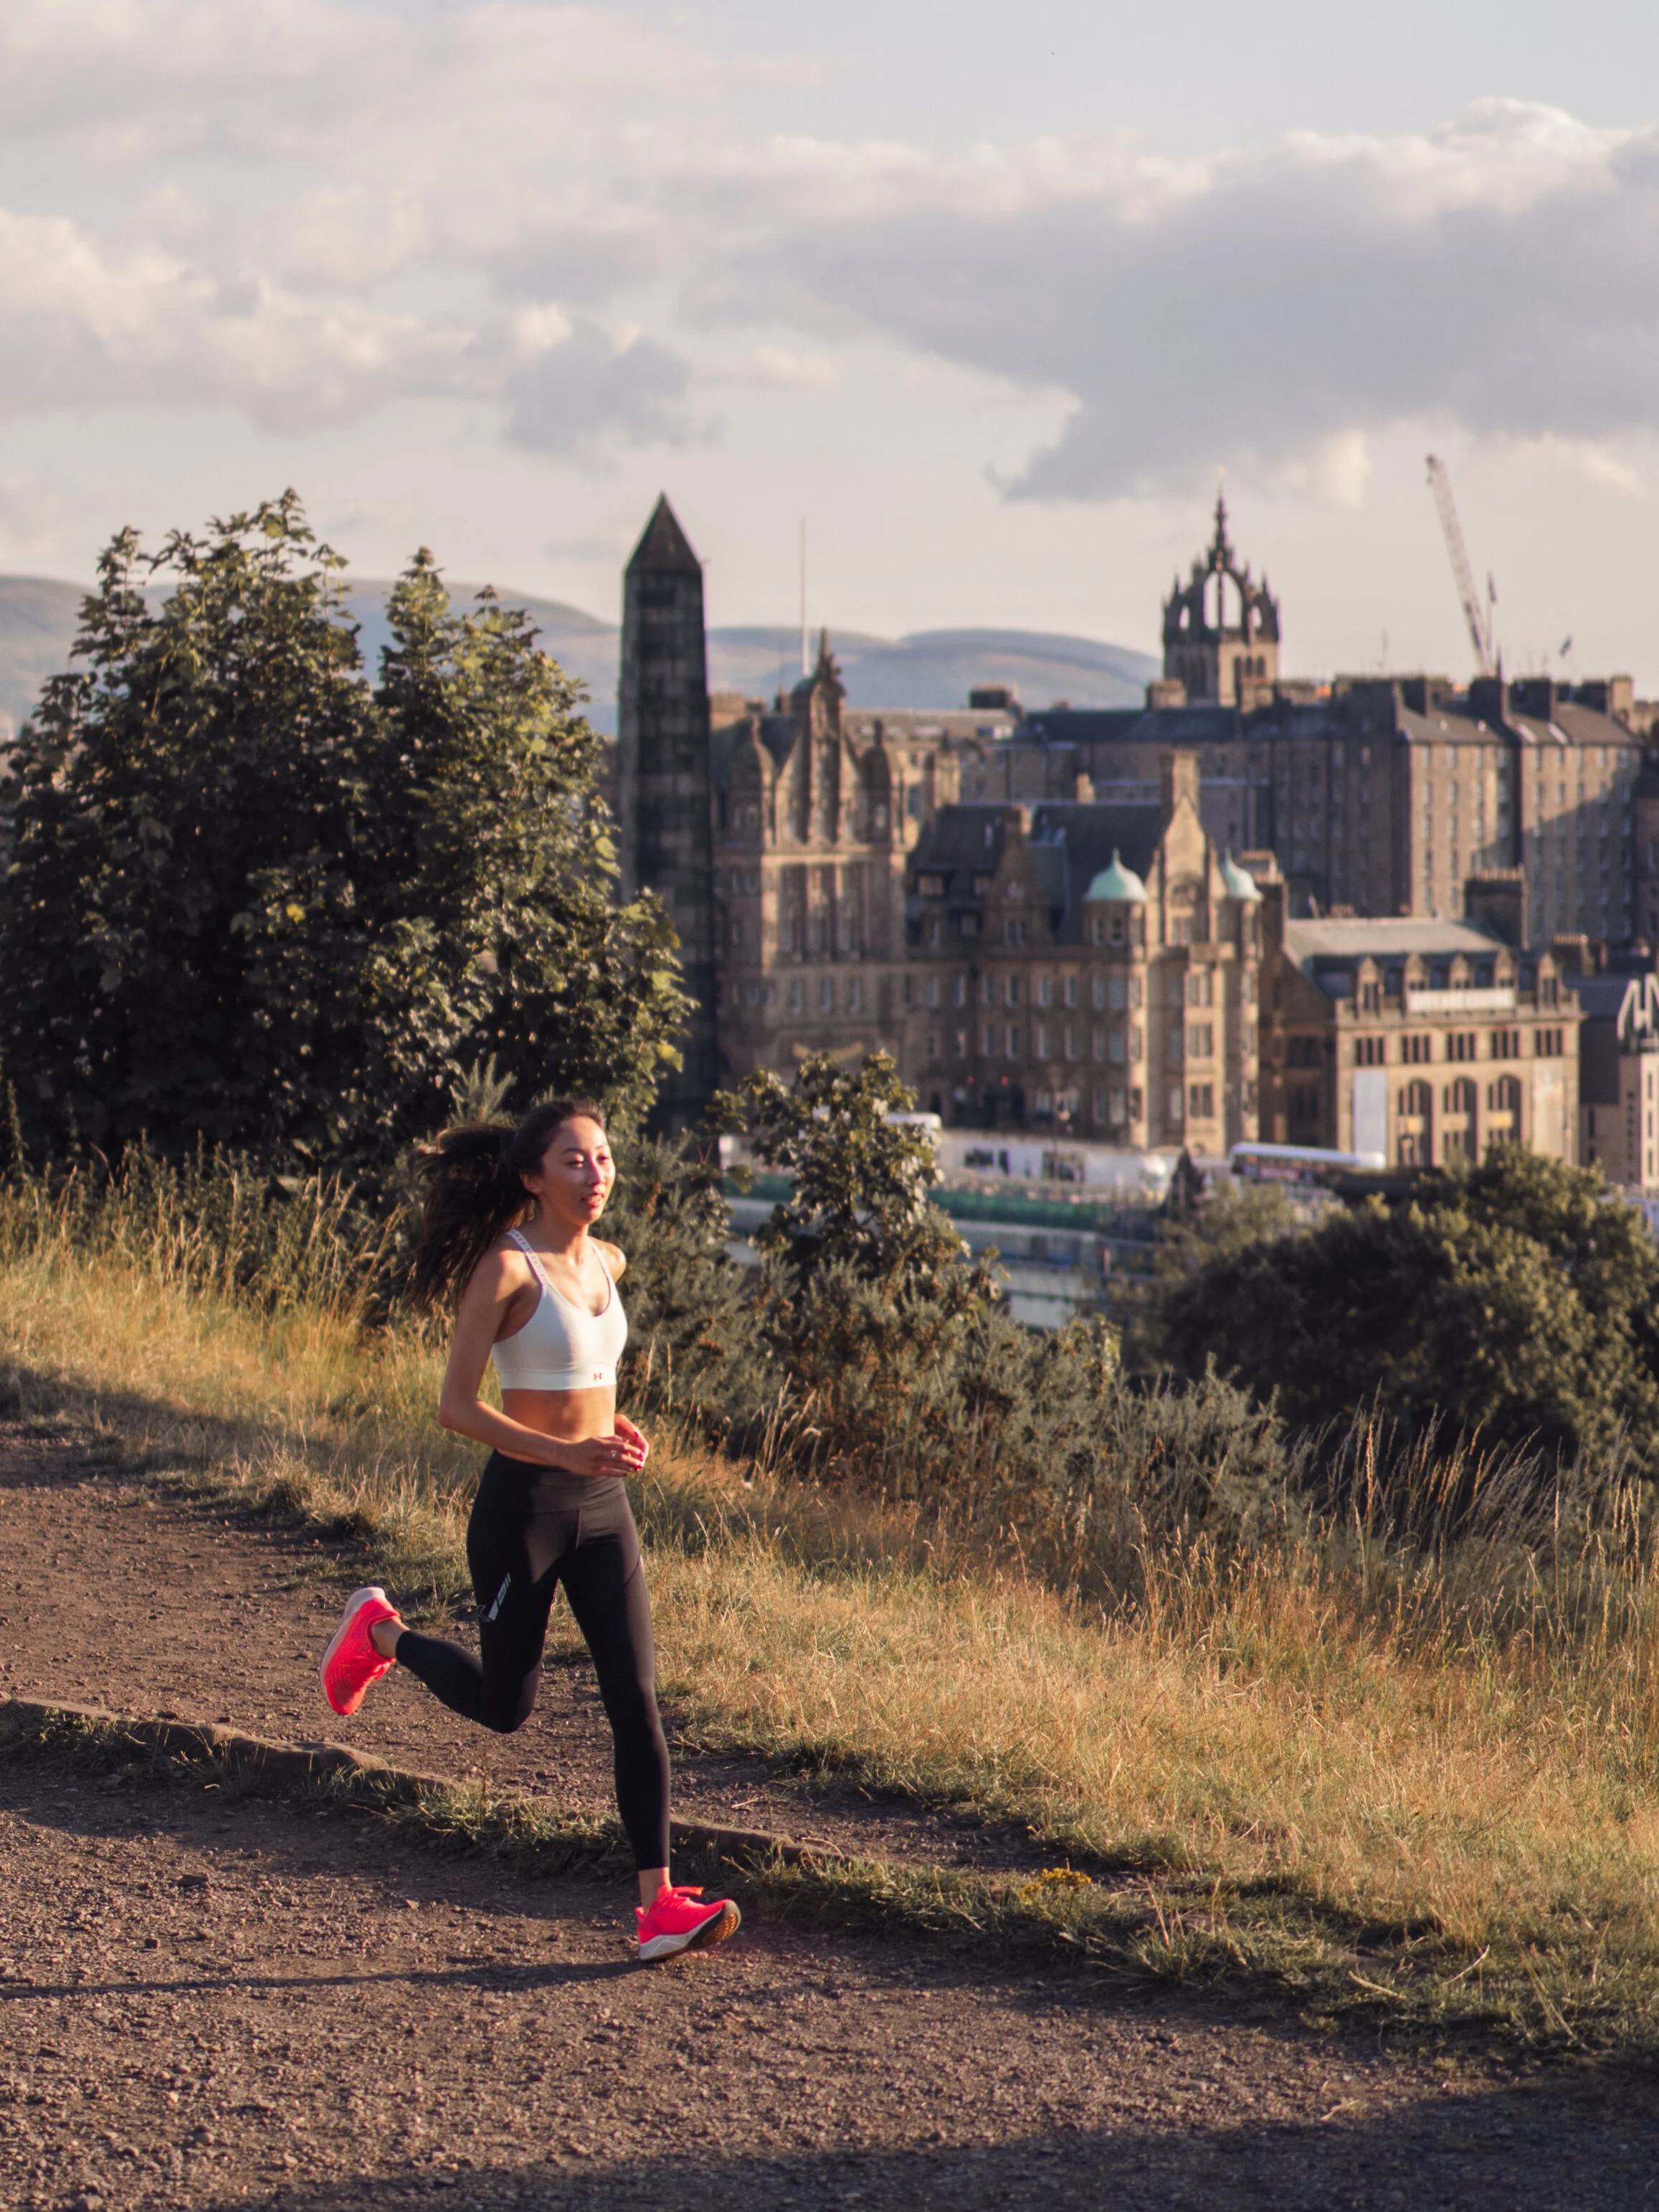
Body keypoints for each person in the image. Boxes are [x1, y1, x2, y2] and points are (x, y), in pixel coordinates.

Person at [318, 1098, 739, 1965]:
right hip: (524, 1513)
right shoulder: (505, 1271)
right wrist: (565, 1449)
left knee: (636, 1700)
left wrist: (616, 1434)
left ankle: (655, 1903)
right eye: (575, 1161)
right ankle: (379, 1631)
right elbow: (454, 1407)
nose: (597, 1175)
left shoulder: (610, 1262)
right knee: (504, 1708)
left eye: (604, 1157)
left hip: (602, 1508)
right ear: (531, 1177)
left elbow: (589, 1375)